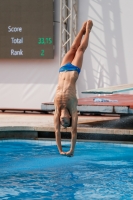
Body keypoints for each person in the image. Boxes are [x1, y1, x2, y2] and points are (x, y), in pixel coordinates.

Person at [54, 20, 93, 156]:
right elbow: (74, 131)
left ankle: (81, 30)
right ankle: (88, 30)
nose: (62, 121)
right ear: (70, 117)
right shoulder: (73, 108)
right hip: (74, 70)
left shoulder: (57, 110)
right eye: (66, 122)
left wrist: (60, 150)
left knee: (72, 48)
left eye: (62, 122)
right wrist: (71, 150)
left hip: (63, 69)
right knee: (80, 49)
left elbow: (57, 131)